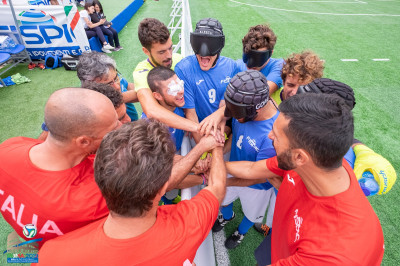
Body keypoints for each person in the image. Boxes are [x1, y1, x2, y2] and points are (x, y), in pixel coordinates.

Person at [36, 120, 227, 265]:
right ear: (163, 188)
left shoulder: (51, 254)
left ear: (98, 177)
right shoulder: (187, 225)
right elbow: (217, 187)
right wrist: (215, 143)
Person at [226, 93, 384, 265]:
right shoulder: (312, 163)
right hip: (280, 242)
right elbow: (252, 168)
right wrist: (214, 165)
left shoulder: (334, 253)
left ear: (300, 157)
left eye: (276, 136)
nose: (269, 136)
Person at [0, 88, 121, 247]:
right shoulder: (94, 194)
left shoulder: (8, 147)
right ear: (83, 142)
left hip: (39, 244)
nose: (121, 127)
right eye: (112, 129)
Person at [212, 70, 278, 249]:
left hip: (257, 187)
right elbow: (236, 137)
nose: (233, 116)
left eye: (237, 112)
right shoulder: (244, 110)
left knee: (251, 214)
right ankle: (227, 216)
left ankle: (240, 232)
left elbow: (258, 175)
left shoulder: (274, 135)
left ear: (257, 108)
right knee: (223, 200)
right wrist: (222, 147)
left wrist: (221, 170)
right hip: (233, 171)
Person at [175, 18, 238, 143]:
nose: (204, 53)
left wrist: (220, 127)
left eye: (211, 46)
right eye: (199, 44)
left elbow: (225, 105)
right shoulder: (183, 69)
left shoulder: (231, 66)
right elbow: (190, 113)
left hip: (222, 128)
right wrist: (202, 149)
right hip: (198, 130)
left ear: (219, 47)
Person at [133, 18, 199, 133]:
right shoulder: (142, 72)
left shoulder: (179, 60)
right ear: (146, 51)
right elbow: (151, 110)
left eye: (170, 48)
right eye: (162, 52)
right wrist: (196, 127)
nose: (169, 56)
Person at [77, 52, 138, 121]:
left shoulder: (115, 81)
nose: (117, 87)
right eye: (108, 84)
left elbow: (127, 86)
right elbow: (126, 96)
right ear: (91, 88)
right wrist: (142, 91)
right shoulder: (92, 106)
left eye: (116, 78)